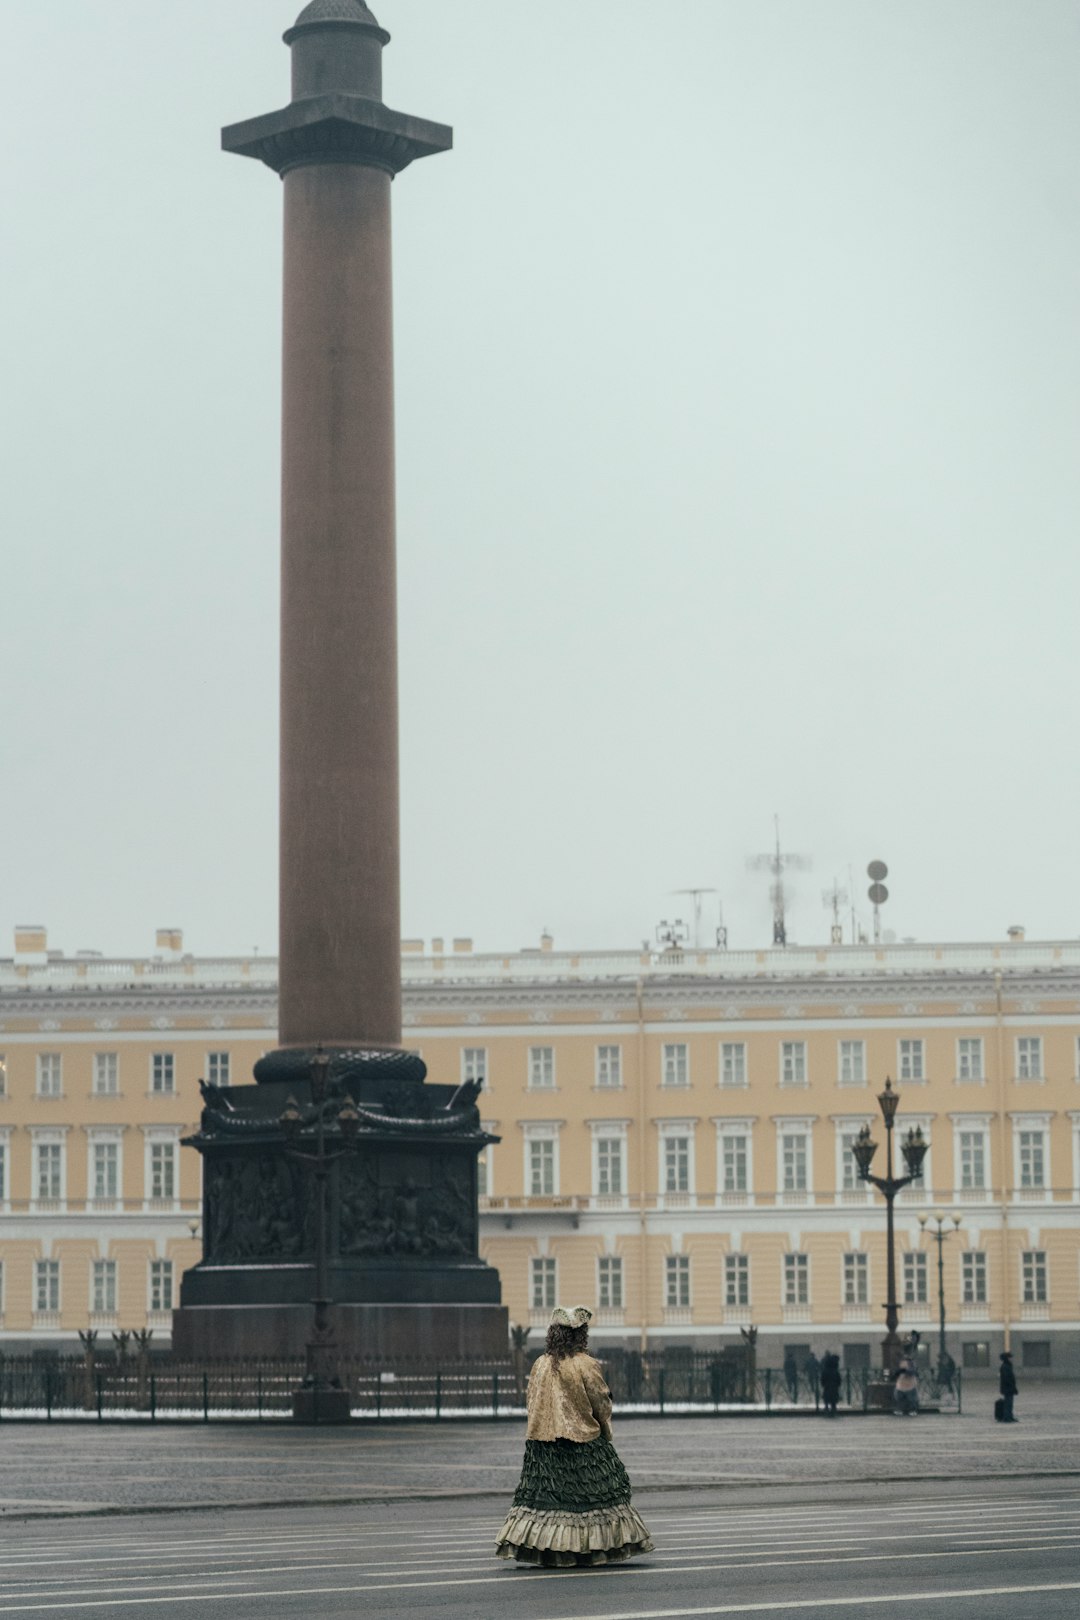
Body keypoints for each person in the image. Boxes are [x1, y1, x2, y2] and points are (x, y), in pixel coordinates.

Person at [495, 1305, 654, 1567]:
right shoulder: (585, 1364)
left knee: (551, 1500)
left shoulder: (540, 1364)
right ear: (581, 1335)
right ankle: (592, 1548)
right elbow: (600, 1401)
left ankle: (551, 1550)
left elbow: (531, 1401)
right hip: (582, 1441)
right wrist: (604, 1428)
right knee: (592, 1497)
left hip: (542, 1443)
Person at [999, 1350, 1018, 1423]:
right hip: (1007, 1388)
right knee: (1008, 1403)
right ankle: (1007, 1417)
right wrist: (1012, 1387)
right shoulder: (1005, 1366)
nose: (1011, 1359)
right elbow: (1007, 1378)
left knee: (1009, 1403)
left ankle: (1009, 1416)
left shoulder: (1007, 1366)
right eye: (1010, 1357)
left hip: (1008, 1388)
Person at [820, 1351, 842, 1416]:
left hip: (827, 1386)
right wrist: (838, 1384)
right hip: (834, 1386)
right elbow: (839, 1379)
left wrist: (823, 1384)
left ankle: (826, 1408)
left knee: (827, 1398)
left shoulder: (825, 1370)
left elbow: (822, 1379)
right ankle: (833, 1409)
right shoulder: (835, 1370)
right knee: (833, 1399)